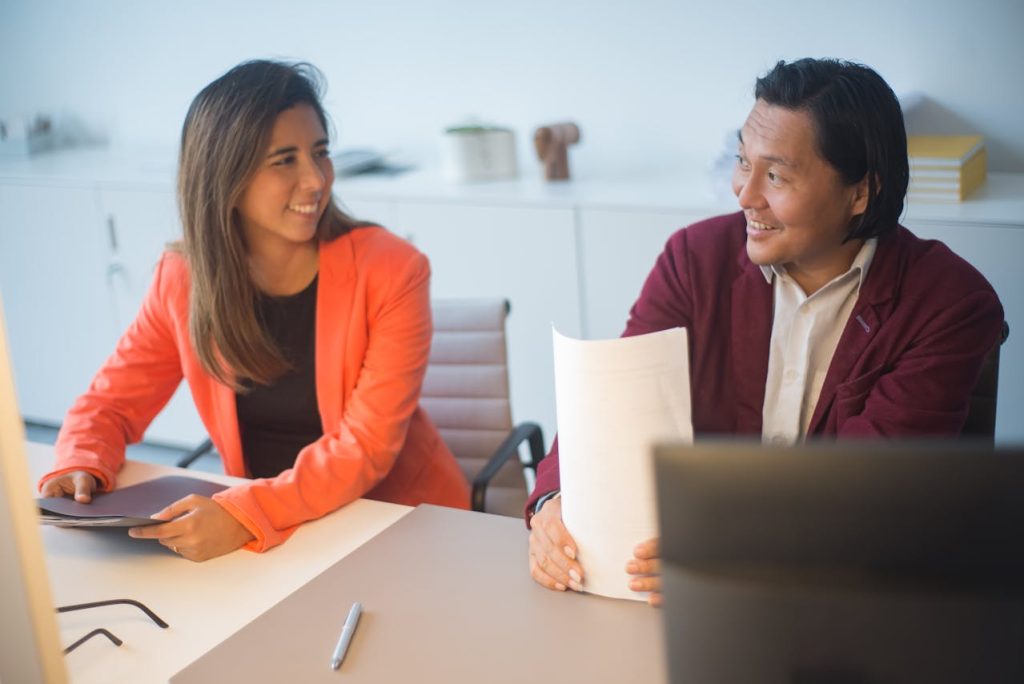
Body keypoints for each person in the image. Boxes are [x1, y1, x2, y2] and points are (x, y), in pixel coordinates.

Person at [526, 58, 1004, 605]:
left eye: (775, 175)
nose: (745, 194)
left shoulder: (948, 304)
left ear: (861, 193)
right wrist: (555, 503)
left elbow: (872, 493)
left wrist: (723, 546)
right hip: (685, 595)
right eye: (741, 162)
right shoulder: (695, 259)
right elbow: (611, 407)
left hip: (853, 598)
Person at [39, 60, 469, 561]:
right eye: (284, 160)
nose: (315, 179)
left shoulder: (392, 269)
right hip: (267, 532)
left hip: (390, 521)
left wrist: (246, 514)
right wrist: (81, 463)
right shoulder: (183, 278)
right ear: (227, 177)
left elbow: (364, 448)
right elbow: (110, 405)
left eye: (320, 152)